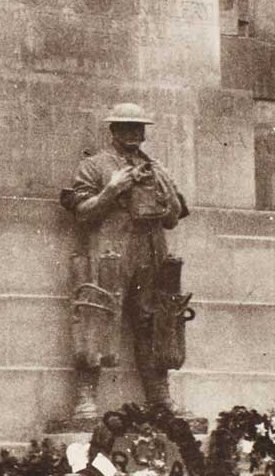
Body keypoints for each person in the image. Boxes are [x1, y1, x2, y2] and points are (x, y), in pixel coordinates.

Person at [61, 103, 192, 416]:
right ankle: (86, 397)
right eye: (126, 126)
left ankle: (160, 397)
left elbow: (173, 219)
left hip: (151, 252)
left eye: (139, 127)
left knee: (156, 321)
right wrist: (112, 189)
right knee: (97, 316)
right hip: (110, 251)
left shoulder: (158, 169)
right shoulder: (94, 166)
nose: (134, 132)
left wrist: (169, 196)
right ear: (113, 131)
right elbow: (82, 213)